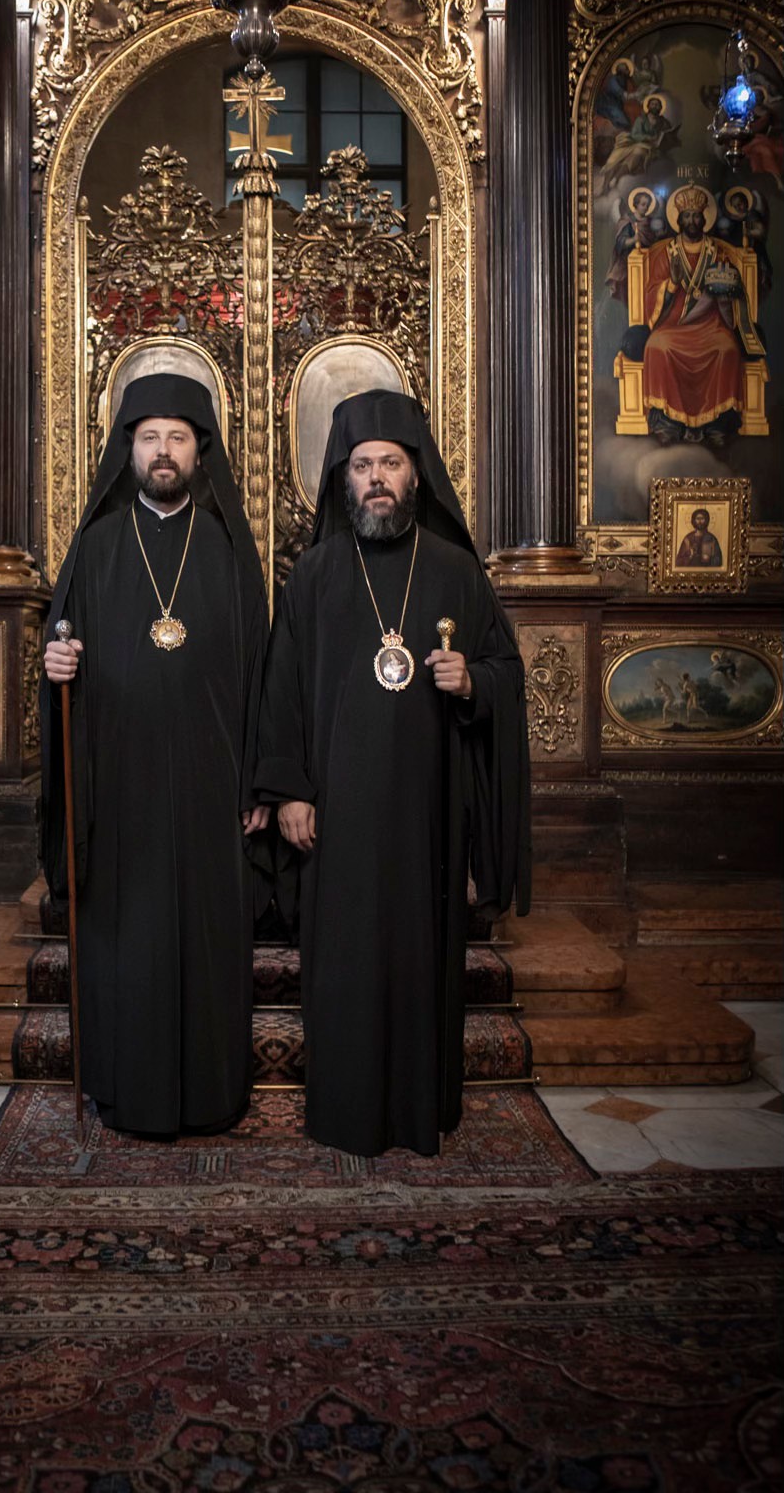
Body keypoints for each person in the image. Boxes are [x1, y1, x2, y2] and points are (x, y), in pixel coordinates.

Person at [255, 390, 530, 1158]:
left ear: (416, 475)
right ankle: (343, 1112)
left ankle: (416, 1111)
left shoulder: (455, 571)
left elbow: (507, 672)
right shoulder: (312, 575)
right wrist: (290, 790)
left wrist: (472, 681)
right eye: (362, 465)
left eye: (391, 463)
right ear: (342, 479)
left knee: (418, 962)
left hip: (425, 813)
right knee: (341, 965)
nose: (376, 477)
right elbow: (281, 690)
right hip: (335, 813)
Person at [39, 372, 270, 1138]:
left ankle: (212, 1093)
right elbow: (61, 658)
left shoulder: (229, 550)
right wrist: (55, 665)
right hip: (120, 784)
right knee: (128, 942)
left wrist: (256, 777)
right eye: (148, 438)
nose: (163, 451)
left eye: (176, 437)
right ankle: (126, 1090)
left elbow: (260, 672)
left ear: (200, 452)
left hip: (211, 785)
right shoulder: (98, 546)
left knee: (206, 942)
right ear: (128, 451)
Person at [643, 187, 764, 447]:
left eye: (696, 215)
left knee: (727, 349)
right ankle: (668, 423)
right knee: (657, 347)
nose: (692, 221)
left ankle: (717, 425)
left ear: (704, 219)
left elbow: (728, 282)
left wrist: (723, 291)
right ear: (678, 219)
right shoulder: (667, 253)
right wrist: (672, 283)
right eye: (687, 216)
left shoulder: (716, 251)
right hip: (673, 324)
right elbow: (651, 294)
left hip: (711, 323)